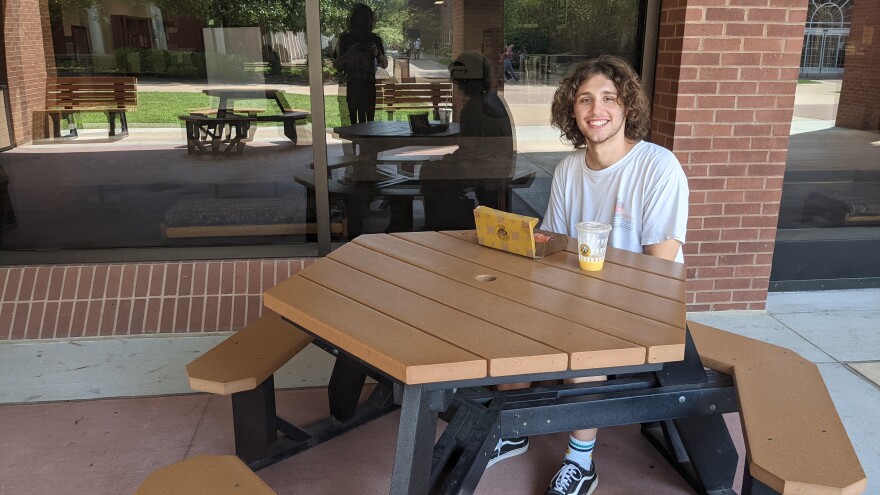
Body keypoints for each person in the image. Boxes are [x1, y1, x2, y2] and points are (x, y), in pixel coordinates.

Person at [490, 55, 689, 495]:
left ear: (627, 107)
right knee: (510, 311)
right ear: (572, 111)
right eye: (585, 99)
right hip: (579, 294)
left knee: (585, 333)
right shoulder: (568, 169)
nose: (596, 109)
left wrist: (581, 294)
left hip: (646, 306)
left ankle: (581, 463)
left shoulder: (657, 167)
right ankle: (513, 427)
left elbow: (660, 268)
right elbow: (554, 240)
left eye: (608, 98)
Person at [420, 51, 515, 231]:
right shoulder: (494, 99)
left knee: (429, 171)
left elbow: (468, 151)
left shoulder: (474, 107)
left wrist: (445, 159)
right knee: (436, 168)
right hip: (500, 167)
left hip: (486, 171)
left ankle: (440, 225)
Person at [333, 3, 388, 124]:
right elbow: (337, 65)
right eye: (360, 19)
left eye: (365, 19)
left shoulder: (374, 39)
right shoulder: (345, 39)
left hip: (368, 86)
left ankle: (364, 142)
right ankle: (356, 142)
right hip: (353, 86)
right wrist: (350, 53)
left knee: (369, 122)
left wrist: (376, 53)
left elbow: (384, 64)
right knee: (354, 123)